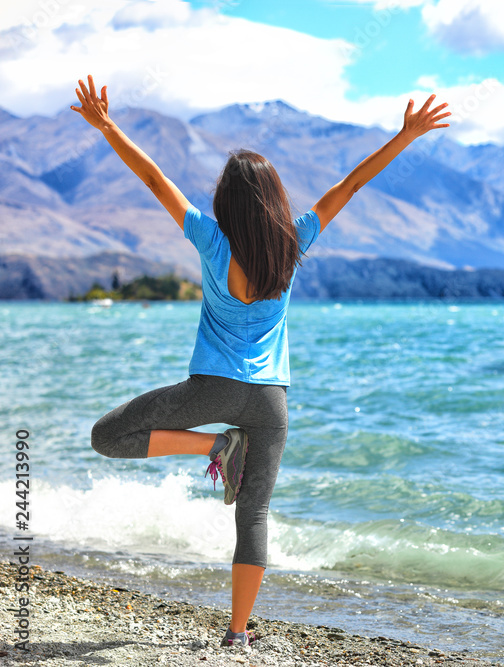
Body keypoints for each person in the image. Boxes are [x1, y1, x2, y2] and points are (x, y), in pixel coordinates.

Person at [75, 74, 449, 648]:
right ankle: (237, 633)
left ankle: (214, 447)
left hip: (212, 391)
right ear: (275, 199)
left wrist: (108, 127)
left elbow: (154, 178)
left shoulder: (210, 239)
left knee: (108, 435)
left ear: (226, 199)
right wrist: (406, 136)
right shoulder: (293, 242)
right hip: (271, 403)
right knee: (253, 516)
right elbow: (349, 186)